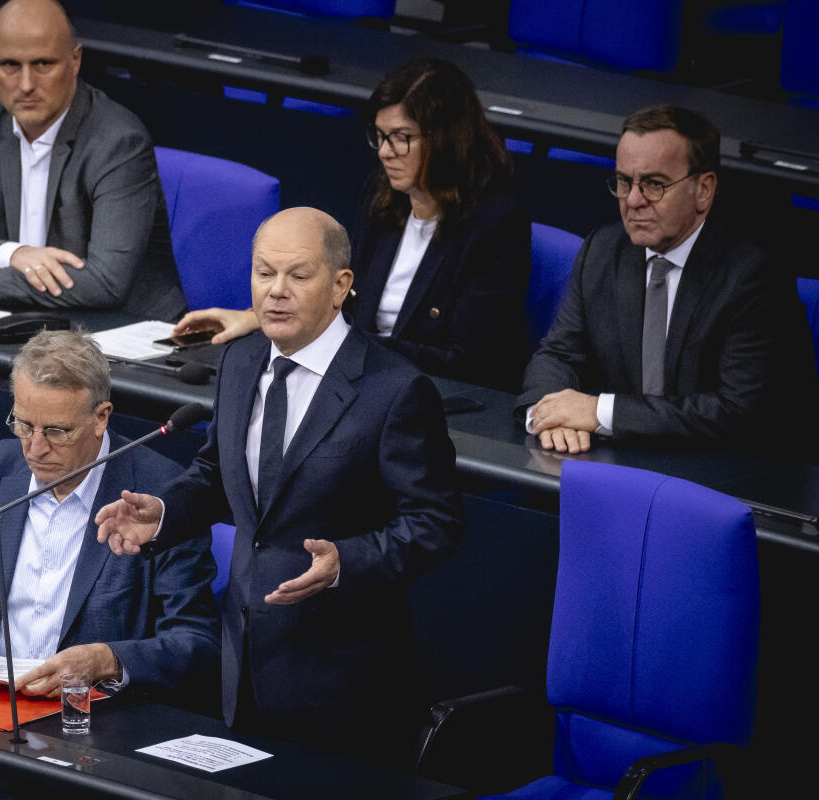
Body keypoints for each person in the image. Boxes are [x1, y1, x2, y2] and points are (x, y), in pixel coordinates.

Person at [95, 208, 462, 757]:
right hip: (244, 667)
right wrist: (165, 515)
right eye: (264, 273)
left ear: (341, 286)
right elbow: (219, 477)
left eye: (298, 275)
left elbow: (436, 523)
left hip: (343, 685)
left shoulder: (395, 391)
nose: (276, 292)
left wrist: (347, 561)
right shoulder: (241, 362)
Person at [0, 330, 219, 698]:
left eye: (56, 431)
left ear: (101, 417)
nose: (35, 449)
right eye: (24, 425)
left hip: (90, 722)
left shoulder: (158, 495)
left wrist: (108, 660)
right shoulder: (2, 469)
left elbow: (198, 645)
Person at [172, 58, 530, 391]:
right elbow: (345, 302)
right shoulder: (382, 198)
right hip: (362, 376)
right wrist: (257, 321)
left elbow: (467, 362)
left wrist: (334, 345)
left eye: (402, 138)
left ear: (448, 139)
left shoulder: (496, 224)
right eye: (380, 136)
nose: (386, 151)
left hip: (434, 394)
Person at [517, 105, 818, 454]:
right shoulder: (602, 250)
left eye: (654, 185)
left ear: (704, 190)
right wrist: (548, 415)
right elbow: (558, 355)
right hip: (627, 459)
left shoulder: (753, 277)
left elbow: (736, 412)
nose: (632, 200)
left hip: (729, 473)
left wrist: (597, 411)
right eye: (624, 182)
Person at [0, 0, 185, 322]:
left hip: (121, 330)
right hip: (27, 323)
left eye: (43, 64)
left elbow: (106, 282)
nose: (27, 84)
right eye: (10, 65)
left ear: (75, 60)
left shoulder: (118, 141)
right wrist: (15, 255)